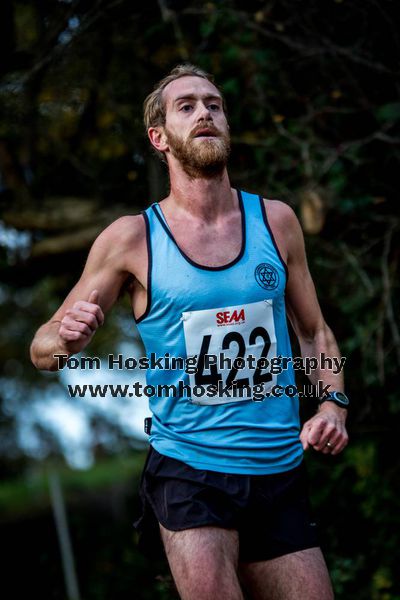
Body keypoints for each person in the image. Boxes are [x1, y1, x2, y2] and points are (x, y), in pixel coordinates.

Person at [31, 64, 349, 600]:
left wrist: (332, 404)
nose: (205, 112)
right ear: (159, 138)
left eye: (214, 104)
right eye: (187, 106)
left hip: (279, 468)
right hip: (190, 468)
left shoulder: (276, 222)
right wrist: (65, 339)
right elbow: (41, 346)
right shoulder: (132, 238)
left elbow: (314, 331)